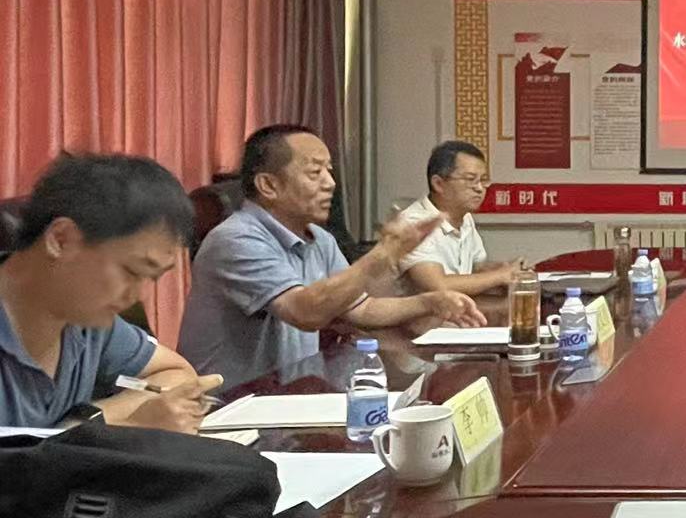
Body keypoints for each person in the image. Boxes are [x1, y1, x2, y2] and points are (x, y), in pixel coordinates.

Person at [178, 125, 485, 387]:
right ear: (269, 185)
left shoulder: (319, 238)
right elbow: (304, 312)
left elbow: (362, 309)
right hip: (232, 409)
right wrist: (383, 255)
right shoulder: (237, 239)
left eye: (330, 171)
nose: (331, 183)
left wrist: (430, 302)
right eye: (315, 172)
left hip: (291, 396)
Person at [0, 153, 221, 432]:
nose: (135, 296)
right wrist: (111, 426)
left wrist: (86, 422)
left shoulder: (85, 323)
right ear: (61, 240)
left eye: (150, 278)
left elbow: (178, 374)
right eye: (131, 271)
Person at [395, 141, 520, 298]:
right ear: (439, 184)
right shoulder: (414, 223)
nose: (479, 188)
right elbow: (437, 285)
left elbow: (475, 269)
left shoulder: (465, 218)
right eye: (470, 179)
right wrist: (500, 276)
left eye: (483, 180)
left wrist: (505, 268)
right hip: (422, 313)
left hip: (453, 310)